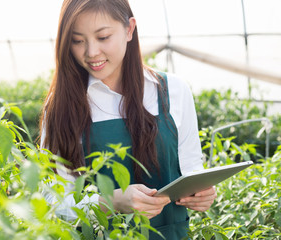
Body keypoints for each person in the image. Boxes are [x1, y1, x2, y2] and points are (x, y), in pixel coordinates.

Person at [40, 0, 217, 239]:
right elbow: (52, 201)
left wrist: (202, 194)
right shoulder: (62, 105)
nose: (91, 52)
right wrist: (109, 202)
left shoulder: (173, 90)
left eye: (103, 37)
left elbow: (191, 169)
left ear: (129, 29)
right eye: (77, 40)